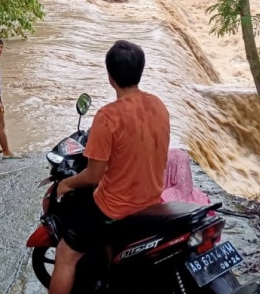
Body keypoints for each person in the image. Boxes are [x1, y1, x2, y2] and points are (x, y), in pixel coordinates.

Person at [50, 40, 171, 294]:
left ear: (110, 76)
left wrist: (66, 183)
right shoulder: (159, 105)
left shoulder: (108, 116)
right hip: (152, 201)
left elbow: (93, 176)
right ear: (141, 70)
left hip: (115, 207)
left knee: (65, 253)